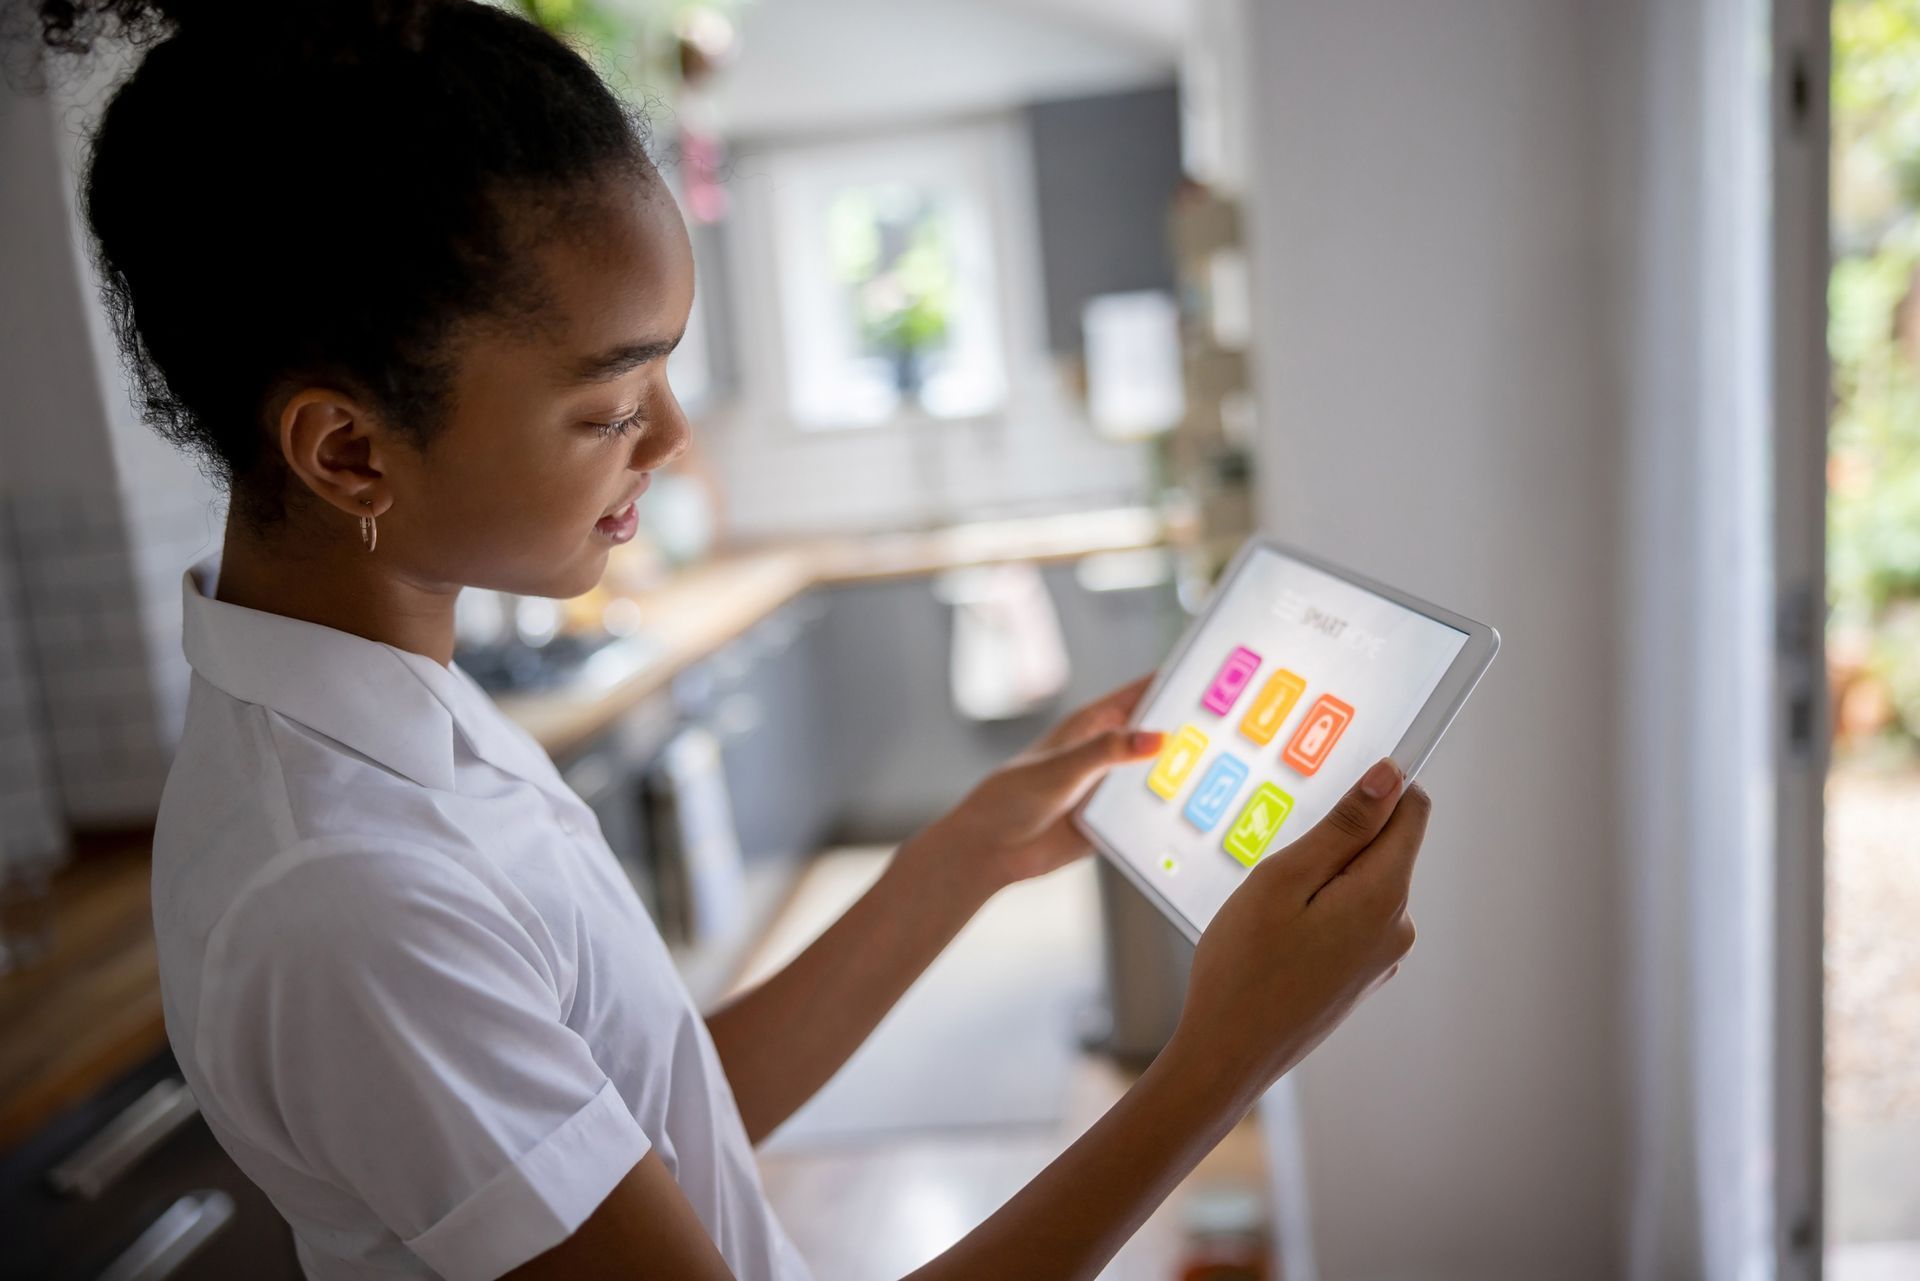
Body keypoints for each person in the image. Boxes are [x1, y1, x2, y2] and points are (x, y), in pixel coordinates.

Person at [15, 2, 1429, 1277]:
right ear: (348, 452)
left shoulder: (388, 711)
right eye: (610, 405)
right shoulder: (348, 898)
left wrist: (962, 859)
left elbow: (655, 1117)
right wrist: (1223, 1060)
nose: (675, 440)